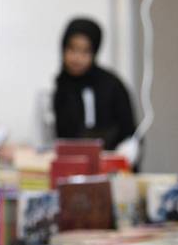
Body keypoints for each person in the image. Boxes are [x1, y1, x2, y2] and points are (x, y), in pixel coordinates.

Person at [53, 18, 136, 151]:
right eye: (72, 49)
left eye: (85, 51)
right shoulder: (61, 86)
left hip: (109, 161)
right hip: (71, 163)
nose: (76, 57)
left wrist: (128, 150)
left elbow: (129, 131)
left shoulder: (111, 85)